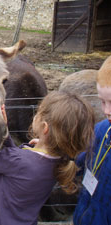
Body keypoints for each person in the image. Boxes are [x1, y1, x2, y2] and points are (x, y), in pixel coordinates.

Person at [0, 82, 95, 225]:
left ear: (44, 128)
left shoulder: (18, 161)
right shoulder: (60, 162)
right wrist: (7, 134)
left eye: (38, 112)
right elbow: (20, 162)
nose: (35, 115)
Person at [73, 55, 111, 225]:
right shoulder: (102, 129)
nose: (106, 111)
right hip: (85, 216)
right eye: (102, 102)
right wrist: (48, 152)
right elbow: (79, 161)